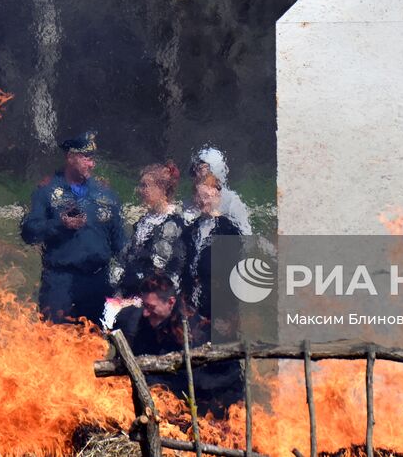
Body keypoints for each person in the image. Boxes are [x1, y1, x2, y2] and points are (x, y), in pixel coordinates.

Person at [20, 131, 126, 325]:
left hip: (97, 282)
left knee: (94, 343)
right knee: (56, 341)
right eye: (86, 158)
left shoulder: (105, 193)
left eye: (93, 159)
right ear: (70, 157)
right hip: (60, 282)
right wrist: (59, 224)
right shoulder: (47, 191)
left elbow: (120, 241)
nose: (91, 164)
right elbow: (29, 232)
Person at [112, 273, 243, 417]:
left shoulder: (194, 331)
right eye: (144, 305)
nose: (145, 313)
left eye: (151, 307)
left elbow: (194, 381)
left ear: (170, 302)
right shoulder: (142, 325)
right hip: (158, 396)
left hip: (202, 400)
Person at [109, 161, 189, 298]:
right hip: (131, 294)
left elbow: (163, 268)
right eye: (140, 186)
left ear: (162, 188)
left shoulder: (172, 224)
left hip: (154, 297)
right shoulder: (144, 221)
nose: (140, 190)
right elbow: (127, 256)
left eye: (145, 186)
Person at [182, 176, 246, 326]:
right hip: (193, 302)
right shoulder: (190, 230)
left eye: (207, 196)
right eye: (199, 196)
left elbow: (232, 271)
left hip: (219, 301)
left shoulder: (228, 230)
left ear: (217, 196)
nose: (203, 201)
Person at [188, 145, 253, 235]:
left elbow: (245, 235)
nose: (198, 174)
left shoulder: (232, 202)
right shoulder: (192, 200)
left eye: (204, 168)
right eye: (197, 169)